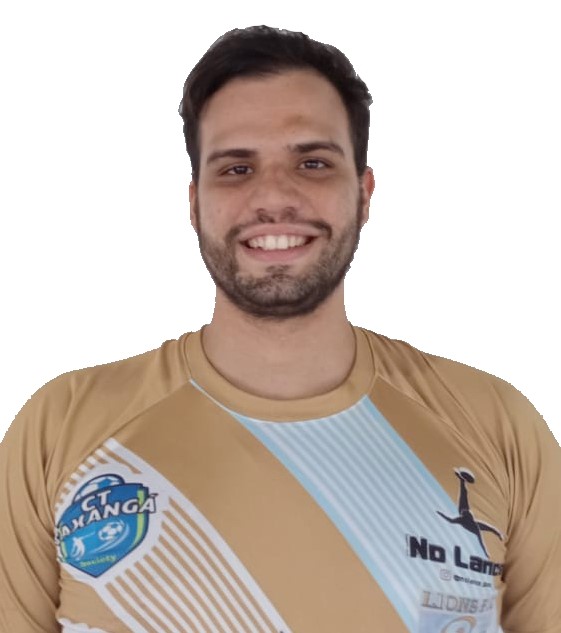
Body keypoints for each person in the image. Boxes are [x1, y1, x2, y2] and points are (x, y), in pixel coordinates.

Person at [0, 24, 559, 633]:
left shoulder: (497, 427)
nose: (273, 196)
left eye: (312, 162)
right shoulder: (61, 428)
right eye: (236, 168)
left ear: (364, 193)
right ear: (195, 202)